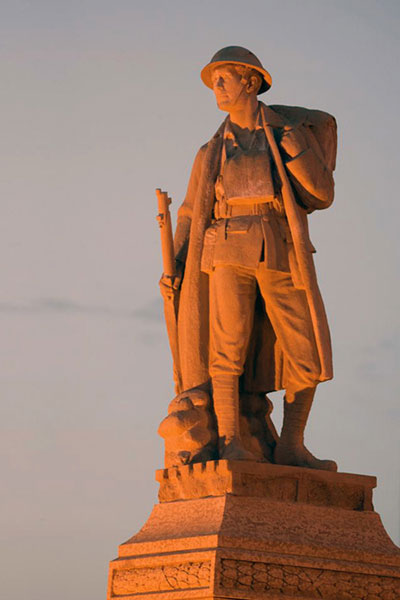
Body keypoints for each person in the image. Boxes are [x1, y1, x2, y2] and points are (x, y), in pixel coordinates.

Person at [160, 46, 337, 470]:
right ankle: (231, 440)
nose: (216, 87)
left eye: (225, 78)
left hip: (278, 244)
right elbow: (189, 212)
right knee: (227, 347)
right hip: (224, 248)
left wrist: (295, 143)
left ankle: (292, 445)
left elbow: (321, 195)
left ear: (251, 81)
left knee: (305, 345)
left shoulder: (286, 133)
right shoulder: (210, 150)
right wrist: (179, 265)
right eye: (214, 80)